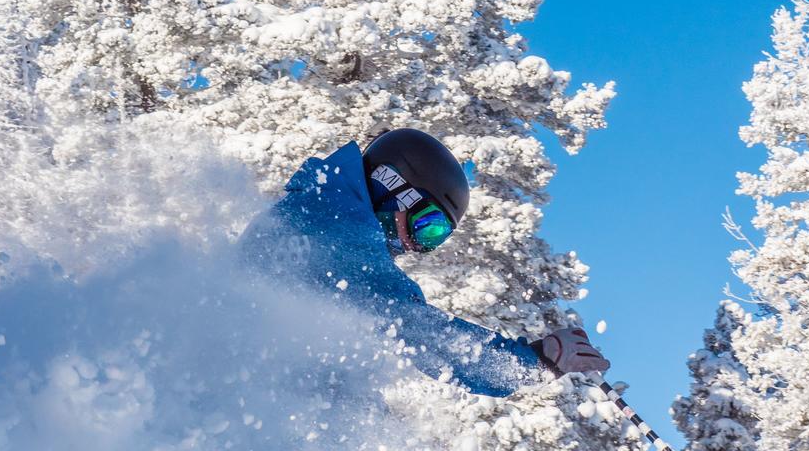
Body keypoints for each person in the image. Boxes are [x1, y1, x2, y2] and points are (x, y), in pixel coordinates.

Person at [238, 128, 609, 396]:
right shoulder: (339, 231)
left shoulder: (314, 209)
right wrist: (536, 361)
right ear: (391, 186)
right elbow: (417, 329)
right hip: (256, 394)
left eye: (435, 238)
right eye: (426, 226)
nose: (416, 247)